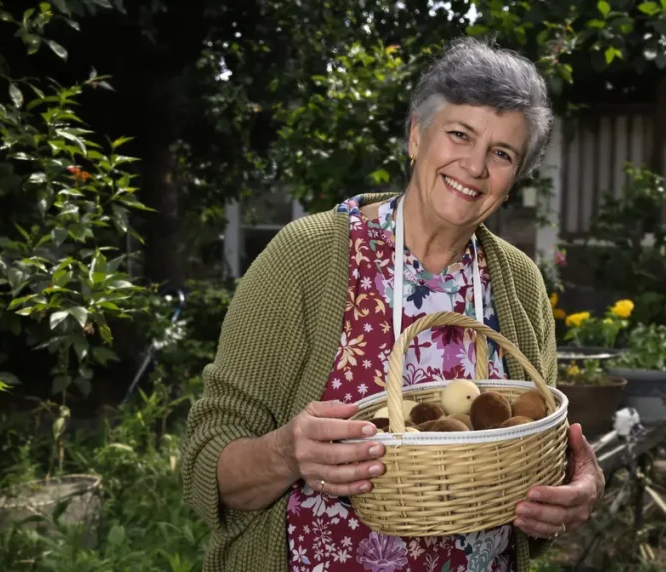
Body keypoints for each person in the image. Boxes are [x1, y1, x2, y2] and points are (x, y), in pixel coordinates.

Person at [181, 36, 605, 572]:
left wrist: (577, 487)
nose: (475, 166)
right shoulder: (308, 256)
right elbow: (207, 460)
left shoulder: (518, 284)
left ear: (513, 178)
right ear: (416, 136)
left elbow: (527, 453)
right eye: (459, 134)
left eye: (502, 154)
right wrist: (286, 453)